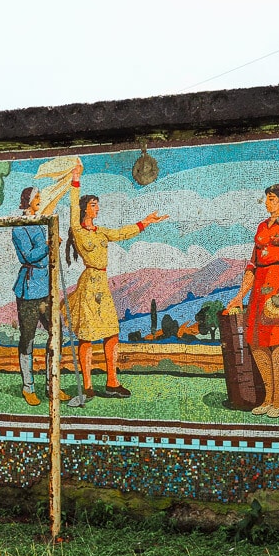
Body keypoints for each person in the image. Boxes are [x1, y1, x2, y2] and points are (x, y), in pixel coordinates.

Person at [64, 163, 168, 399]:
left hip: (102, 282)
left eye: (97, 205)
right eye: (93, 205)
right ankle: (88, 387)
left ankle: (112, 382)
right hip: (89, 284)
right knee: (87, 336)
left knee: (112, 332)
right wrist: (76, 180)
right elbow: (71, 206)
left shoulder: (100, 232)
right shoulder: (78, 231)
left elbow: (122, 233)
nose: (97, 208)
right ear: (84, 209)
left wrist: (146, 222)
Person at [226, 184, 279, 418]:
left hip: (275, 279)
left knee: (276, 339)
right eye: (266, 199)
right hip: (258, 284)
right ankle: (268, 397)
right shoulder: (262, 226)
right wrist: (240, 296)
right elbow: (251, 264)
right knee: (255, 341)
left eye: (271, 199)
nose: (267, 202)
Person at [12, 186, 70, 406]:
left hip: (47, 288)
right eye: (36, 197)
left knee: (57, 334)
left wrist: (54, 243)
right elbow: (29, 255)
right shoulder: (19, 227)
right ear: (27, 200)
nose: (39, 200)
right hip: (28, 290)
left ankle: (51, 384)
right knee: (27, 338)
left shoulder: (41, 222)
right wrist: (48, 244)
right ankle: (28, 386)